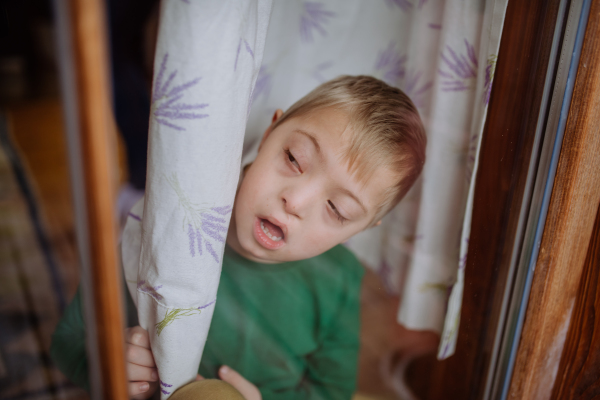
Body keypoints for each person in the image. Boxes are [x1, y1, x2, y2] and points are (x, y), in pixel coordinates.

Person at [50, 75, 426, 399]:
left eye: (338, 210)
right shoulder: (172, 223)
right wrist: (112, 364)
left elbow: (331, 391)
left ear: (360, 229)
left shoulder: (340, 280)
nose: (294, 201)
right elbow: (69, 342)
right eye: (293, 159)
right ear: (268, 135)